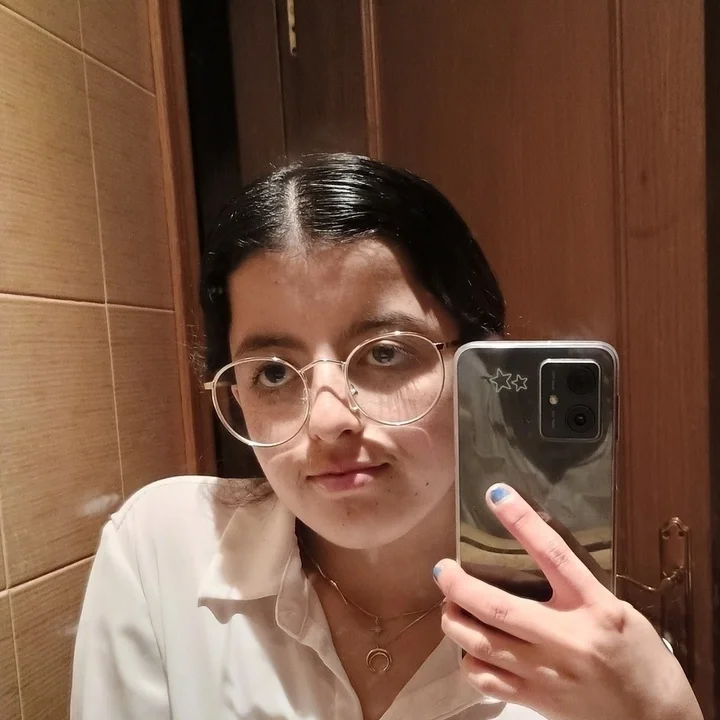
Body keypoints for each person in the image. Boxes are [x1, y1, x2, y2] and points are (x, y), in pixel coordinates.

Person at [70, 154, 702, 720]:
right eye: (273, 372)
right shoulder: (162, 554)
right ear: (235, 392)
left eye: (386, 353)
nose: (328, 422)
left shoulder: (587, 666)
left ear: (482, 373)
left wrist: (663, 713)